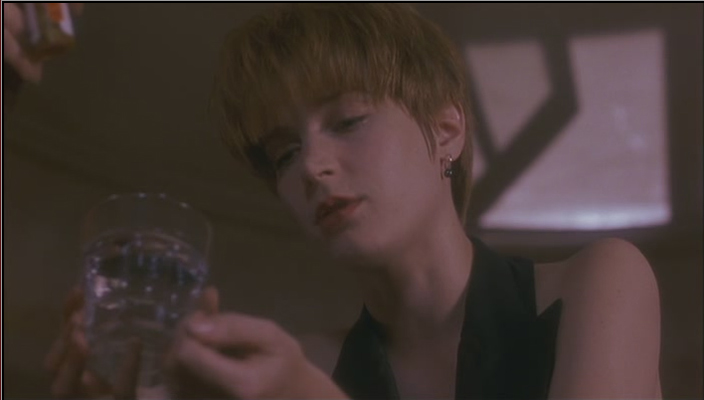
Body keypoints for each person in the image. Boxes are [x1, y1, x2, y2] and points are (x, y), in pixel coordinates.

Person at [23, 3, 662, 399]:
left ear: (447, 130)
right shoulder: (305, 362)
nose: (312, 167)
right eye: (284, 153)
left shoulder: (598, 283)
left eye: (348, 120)